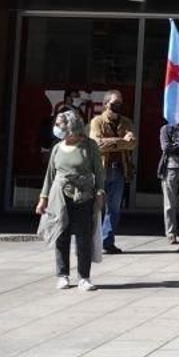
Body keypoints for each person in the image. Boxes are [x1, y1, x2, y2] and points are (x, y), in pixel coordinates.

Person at [36, 108, 104, 291]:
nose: (56, 128)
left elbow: (99, 171)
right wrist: (43, 198)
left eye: (59, 125)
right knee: (61, 235)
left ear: (71, 126)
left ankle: (84, 277)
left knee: (83, 237)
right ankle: (63, 275)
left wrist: (100, 191)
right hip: (60, 196)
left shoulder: (89, 146)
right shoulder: (57, 147)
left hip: (83, 196)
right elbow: (50, 175)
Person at [88, 91, 136, 255]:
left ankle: (107, 241)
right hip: (101, 170)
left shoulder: (126, 122)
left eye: (120, 102)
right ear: (106, 103)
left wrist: (112, 143)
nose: (118, 105)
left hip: (120, 169)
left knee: (114, 208)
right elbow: (96, 144)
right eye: (115, 102)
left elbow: (132, 144)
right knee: (96, 207)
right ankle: (91, 241)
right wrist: (121, 141)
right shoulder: (97, 121)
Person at [158, 117, 179, 245]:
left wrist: (177, 147)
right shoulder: (166, 129)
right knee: (169, 204)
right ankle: (171, 233)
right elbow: (166, 148)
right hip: (170, 169)